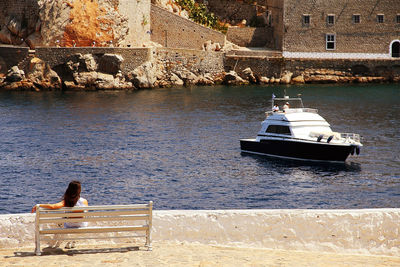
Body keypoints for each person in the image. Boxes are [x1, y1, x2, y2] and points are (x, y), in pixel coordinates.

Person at [32, 180, 88, 248]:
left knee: (61, 222)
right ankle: (71, 241)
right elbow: (85, 213)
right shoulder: (84, 201)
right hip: (82, 225)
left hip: (69, 225)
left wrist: (39, 205)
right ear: (79, 190)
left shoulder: (66, 201)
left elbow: (53, 206)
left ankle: (60, 243)